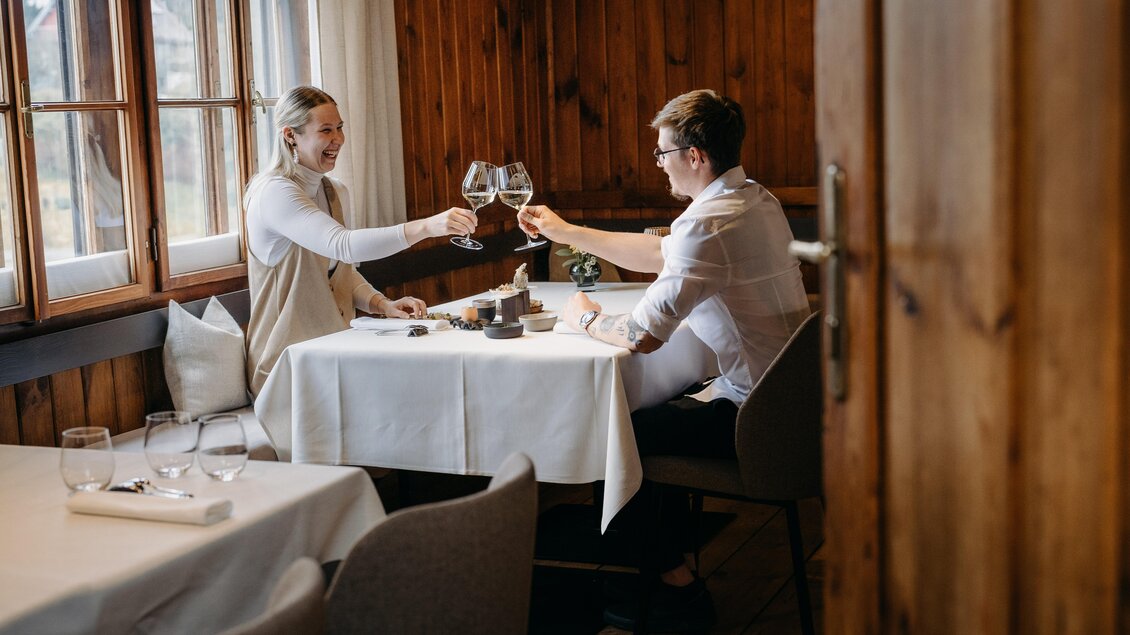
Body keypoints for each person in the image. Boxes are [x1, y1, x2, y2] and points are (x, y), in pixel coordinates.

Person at [517, 88, 811, 631]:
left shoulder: (708, 223)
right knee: (660, 413)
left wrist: (579, 315)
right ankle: (661, 567)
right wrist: (565, 232)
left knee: (622, 436)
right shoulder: (753, 200)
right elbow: (663, 253)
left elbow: (641, 336)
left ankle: (673, 585)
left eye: (662, 153)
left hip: (759, 423)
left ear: (694, 156)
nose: (660, 165)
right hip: (799, 410)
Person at [244, 85, 477, 396]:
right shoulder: (274, 192)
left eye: (339, 128)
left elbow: (340, 269)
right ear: (290, 135)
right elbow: (343, 244)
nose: (338, 139)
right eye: (325, 130)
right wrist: (426, 227)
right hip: (285, 369)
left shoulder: (334, 191)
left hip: (335, 353)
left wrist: (382, 304)